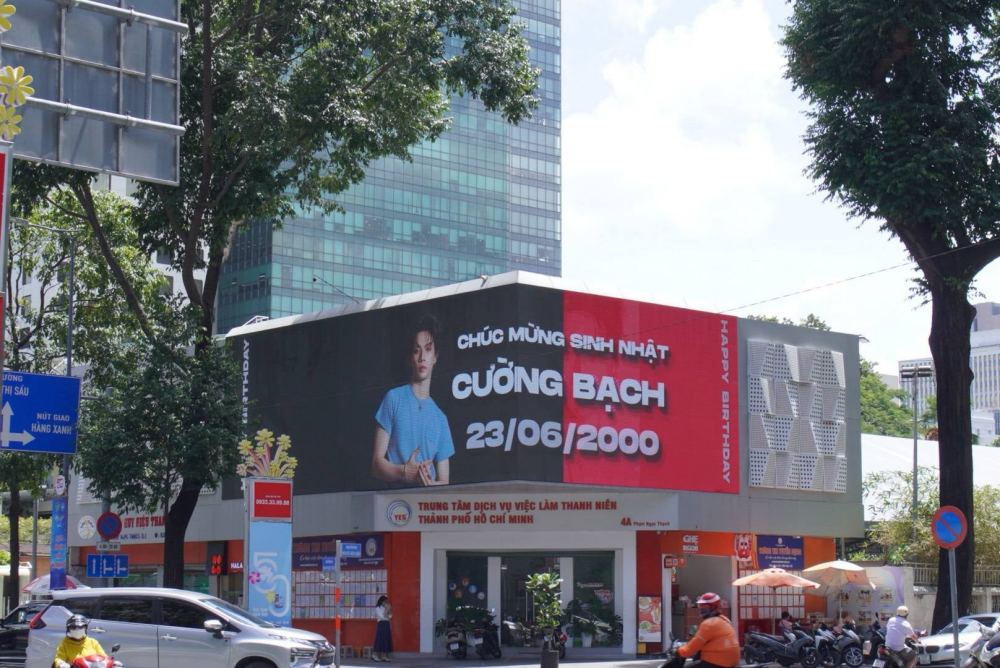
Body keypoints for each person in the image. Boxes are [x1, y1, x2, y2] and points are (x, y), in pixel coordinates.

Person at [371, 315, 454, 487]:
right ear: (411, 358)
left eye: (428, 349)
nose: (422, 356)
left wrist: (431, 485)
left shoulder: (441, 418)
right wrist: (403, 471)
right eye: (417, 350)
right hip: (393, 505)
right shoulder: (393, 398)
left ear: (435, 357)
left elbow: (445, 481)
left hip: (427, 507)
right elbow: (376, 465)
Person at [671, 592, 740, 668]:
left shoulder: (710, 624)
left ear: (714, 607)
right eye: (700, 606)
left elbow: (693, 646)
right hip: (730, 662)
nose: (701, 609)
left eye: (705, 606)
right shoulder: (725, 619)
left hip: (718, 662)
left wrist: (679, 652)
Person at [373, 595, 393, 662]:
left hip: (387, 624)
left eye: (386, 601)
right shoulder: (377, 608)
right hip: (381, 624)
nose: (386, 602)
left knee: (386, 639)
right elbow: (382, 617)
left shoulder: (386, 607)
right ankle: (375, 655)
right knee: (380, 639)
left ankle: (384, 656)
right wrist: (387, 610)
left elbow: (390, 616)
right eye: (384, 601)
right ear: (381, 601)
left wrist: (388, 610)